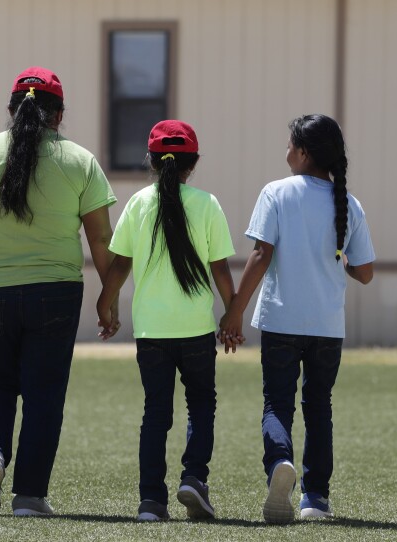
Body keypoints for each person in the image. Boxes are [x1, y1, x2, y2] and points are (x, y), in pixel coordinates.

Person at [0, 66, 118, 517]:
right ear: (59, 115)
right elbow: (100, 240)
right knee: (44, 391)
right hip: (56, 292)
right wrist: (108, 298)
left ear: (12, 111)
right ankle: (30, 496)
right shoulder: (81, 160)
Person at [218, 114, 375, 524]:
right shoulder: (349, 203)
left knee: (277, 404)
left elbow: (260, 254)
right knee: (319, 406)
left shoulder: (276, 193)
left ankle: (280, 464)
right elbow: (365, 271)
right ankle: (315, 500)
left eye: (290, 144)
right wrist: (337, 258)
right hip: (327, 326)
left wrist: (234, 310)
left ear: (303, 152)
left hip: (281, 320)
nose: (285, 151)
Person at [96, 120, 237, 522]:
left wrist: (106, 305)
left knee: (156, 412)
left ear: (152, 162)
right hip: (195, 330)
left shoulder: (138, 204)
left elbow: (120, 264)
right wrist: (232, 314)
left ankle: (151, 502)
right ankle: (194, 477)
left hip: (151, 332)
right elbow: (221, 271)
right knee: (202, 407)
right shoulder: (208, 204)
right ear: (193, 163)